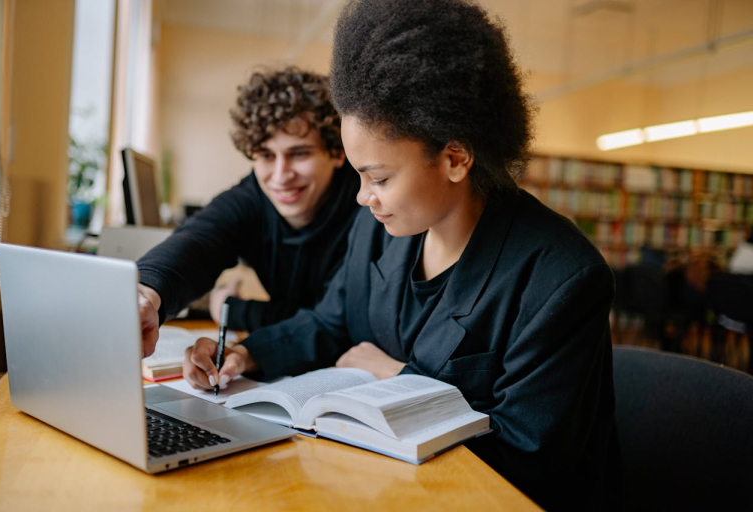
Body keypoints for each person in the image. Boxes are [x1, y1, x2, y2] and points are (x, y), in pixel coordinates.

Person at [184, 1, 620, 509]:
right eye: (359, 175)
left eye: (380, 177)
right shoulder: (381, 227)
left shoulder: (561, 277)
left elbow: (528, 457)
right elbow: (331, 322)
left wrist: (395, 379)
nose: (361, 196)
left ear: (455, 157)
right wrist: (246, 352)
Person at [137, 67, 360, 358]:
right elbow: (200, 239)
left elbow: (338, 323)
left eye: (300, 153)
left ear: (338, 152)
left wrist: (235, 310)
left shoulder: (369, 203)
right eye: (267, 155)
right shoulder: (251, 196)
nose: (281, 175)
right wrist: (146, 294)